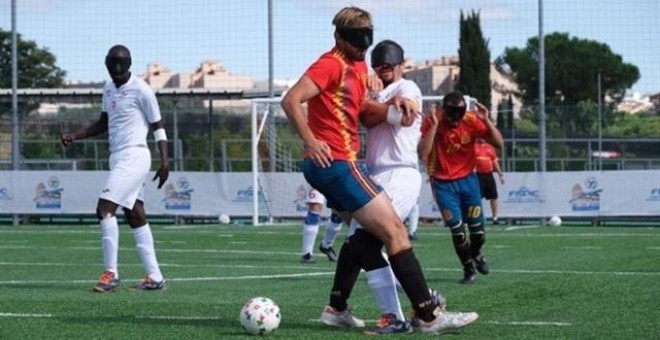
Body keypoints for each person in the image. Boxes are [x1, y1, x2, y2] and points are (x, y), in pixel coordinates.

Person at [281, 7, 477, 335]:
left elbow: (362, 109)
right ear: (338, 38)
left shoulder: (359, 66)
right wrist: (311, 140)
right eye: (357, 39)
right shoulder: (330, 64)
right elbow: (291, 100)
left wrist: (389, 106)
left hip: (337, 167)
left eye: (367, 39)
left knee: (361, 241)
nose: (364, 46)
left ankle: (339, 308)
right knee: (394, 233)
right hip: (336, 165)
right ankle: (427, 315)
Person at [61, 44, 169, 293]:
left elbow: (158, 126)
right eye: (113, 64)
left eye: (122, 63)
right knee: (135, 214)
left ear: (129, 64)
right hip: (117, 157)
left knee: (104, 208)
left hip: (136, 155)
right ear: (107, 64)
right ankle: (155, 277)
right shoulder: (108, 89)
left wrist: (165, 162)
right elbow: (103, 123)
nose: (117, 68)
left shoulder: (142, 90)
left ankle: (111, 273)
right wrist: (75, 135)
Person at [418, 91, 504, 284]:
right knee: (457, 231)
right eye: (451, 117)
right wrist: (432, 126)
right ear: (444, 111)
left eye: (460, 116)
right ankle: (468, 268)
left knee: (478, 232)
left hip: (468, 182)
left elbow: (499, 143)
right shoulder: (434, 120)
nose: (456, 121)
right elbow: (423, 154)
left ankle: (476, 253)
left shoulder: (472, 119)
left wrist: (487, 121)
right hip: (443, 184)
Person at [300, 188, 343, 263]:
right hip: (319, 177)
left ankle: (326, 246)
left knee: (338, 214)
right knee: (314, 210)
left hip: (337, 178)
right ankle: (307, 253)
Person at [474, 138, 505, 225]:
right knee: (476, 198)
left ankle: (495, 218)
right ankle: (477, 217)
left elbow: (495, 162)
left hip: (489, 175)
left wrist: (500, 174)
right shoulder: (473, 147)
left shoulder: (490, 148)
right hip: (478, 175)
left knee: (494, 197)